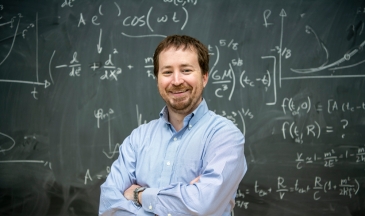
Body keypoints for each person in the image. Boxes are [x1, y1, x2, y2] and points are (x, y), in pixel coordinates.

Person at [99, 35, 247, 216]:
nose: (176, 81)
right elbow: (109, 205)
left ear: (205, 77)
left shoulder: (225, 136)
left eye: (186, 70)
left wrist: (139, 194)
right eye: (167, 72)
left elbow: (202, 205)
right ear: (157, 79)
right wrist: (185, 198)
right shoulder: (138, 139)